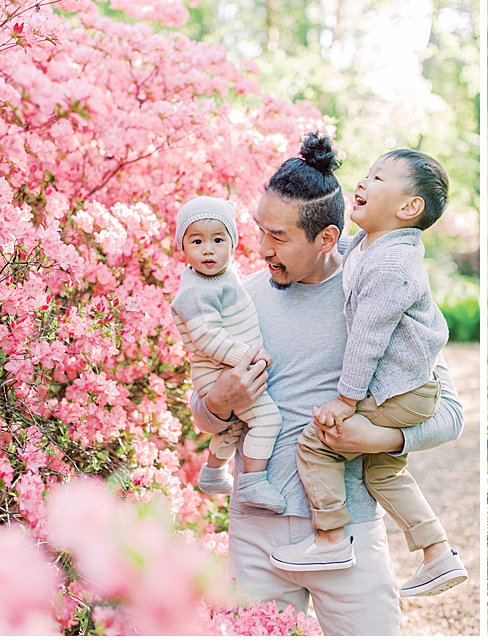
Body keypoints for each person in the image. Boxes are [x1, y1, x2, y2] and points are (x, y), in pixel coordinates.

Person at [189, 133, 464, 635]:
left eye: (278, 236)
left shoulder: (382, 289)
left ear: (326, 238)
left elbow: (449, 412)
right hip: (257, 536)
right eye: (258, 230)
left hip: (351, 533)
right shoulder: (240, 299)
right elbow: (202, 414)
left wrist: (383, 439)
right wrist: (220, 400)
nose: (260, 248)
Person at [270, 149, 468, 599]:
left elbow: (367, 339)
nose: (362, 182)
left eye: (377, 177)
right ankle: (438, 553)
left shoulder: (391, 265)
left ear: (408, 208)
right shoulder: (369, 244)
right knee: (382, 474)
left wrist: (345, 399)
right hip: (408, 387)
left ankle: (331, 539)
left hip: (400, 388)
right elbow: (334, 246)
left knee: (316, 443)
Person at [170, 195, 285, 513]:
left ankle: (212, 473)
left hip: (225, 365)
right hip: (219, 369)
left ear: (232, 243)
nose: (208, 249)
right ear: (184, 247)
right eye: (196, 240)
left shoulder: (222, 277)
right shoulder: (195, 291)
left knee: (235, 425)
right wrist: (250, 356)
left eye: (217, 239)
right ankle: (253, 483)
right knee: (266, 419)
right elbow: (206, 337)